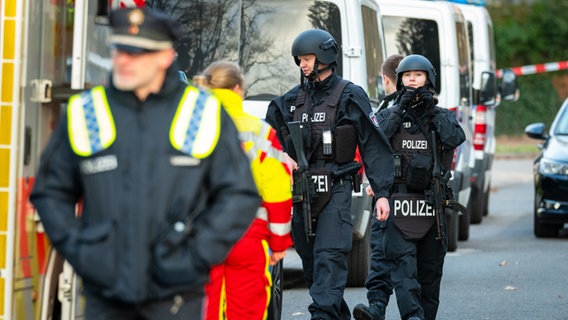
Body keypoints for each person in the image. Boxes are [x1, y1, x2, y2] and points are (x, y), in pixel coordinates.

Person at [29, 7, 260, 320]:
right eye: (119, 49)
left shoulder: (202, 114)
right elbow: (50, 192)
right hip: (105, 296)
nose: (123, 60)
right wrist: (85, 254)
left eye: (136, 53)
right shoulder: (86, 112)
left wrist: (195, 255)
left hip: (176, 296)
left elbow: (239, 195)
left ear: (165, 57)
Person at [265, 28, 394, 320]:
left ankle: (321, 316)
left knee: (329, 259)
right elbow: (267, 138)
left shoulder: (350, 95)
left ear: (324, 56)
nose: (303, 65)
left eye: (308, 58)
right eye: (299, 60)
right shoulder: (289, 101)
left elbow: (374, 146)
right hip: (302, 193)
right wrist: (281, 154)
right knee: (312, 267)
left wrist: (383, 193)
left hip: (336, 188)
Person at [366, 54, 466, 320]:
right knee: (403, 271)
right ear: (399, 80)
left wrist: (432, 111)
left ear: (428, 79)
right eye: (407, 75)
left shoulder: (442, 116)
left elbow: (455, 138)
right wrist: (400, 109)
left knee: (430, 274)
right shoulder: (390, 114)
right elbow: (375, 137)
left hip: (431, 206)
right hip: (399, 203)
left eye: (418, 75)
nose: (412, 79)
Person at [197, 61, 294, 320]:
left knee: (204, 308)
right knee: (247, 310)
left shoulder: (188, 129)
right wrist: (279, 242)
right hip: (248, 234)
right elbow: (278, 191)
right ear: (238, 89)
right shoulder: (260, 132)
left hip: (201, 233)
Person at [353, 54, 404, 320]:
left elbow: (374, 149)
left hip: (393, 192)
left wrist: (377, 181)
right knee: (390, 251)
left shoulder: (388, 109)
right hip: (400, 192)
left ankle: (377, 308)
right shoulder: (418, 105)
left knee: (383, 250)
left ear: (386, 79)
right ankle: (378, 308)